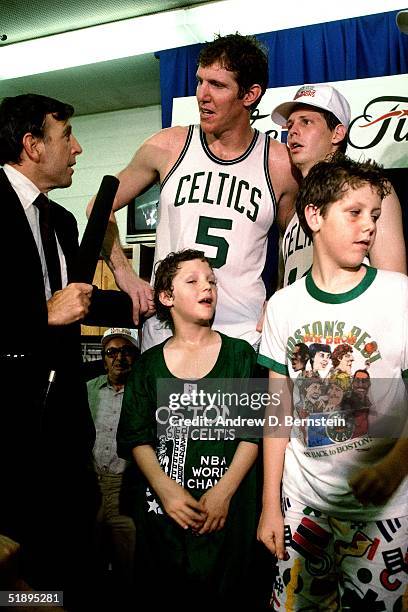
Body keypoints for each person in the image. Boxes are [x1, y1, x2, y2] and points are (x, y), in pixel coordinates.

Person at [0, 94, 133, 610]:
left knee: (67, 561)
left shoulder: (60, 220)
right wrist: (40, 315)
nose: (78, 148)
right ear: (32, 145)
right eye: (66, 136)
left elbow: (73, 302)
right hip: (9, 432)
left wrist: (153, 295)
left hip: (65, 425)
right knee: (18, 581)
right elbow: (49, 310)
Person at [257, 156, 408, 609]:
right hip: (303, 507)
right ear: (315, 216)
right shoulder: (284, 306)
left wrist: (393, 466)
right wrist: (269, 506)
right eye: (355, 213)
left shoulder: (398, 295)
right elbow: (277, 413)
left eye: (375, 216)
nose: (369, 228)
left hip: (385, 518)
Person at [88, 33, 299, 350]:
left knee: (243, 402)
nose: (202, 94)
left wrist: (282, 295)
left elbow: (293, 242)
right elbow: (97, 207)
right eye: (200, 81)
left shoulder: (280, 164)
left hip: (242, 336)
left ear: (250, 94)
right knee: (164, 401)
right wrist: (123, 273)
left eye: (217, 85)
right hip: (167, 333)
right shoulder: (167, 146)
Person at [117, 249, 259, 607]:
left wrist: (224, 492)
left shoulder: (241, 356)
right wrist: (165, 490)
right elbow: (137, 437)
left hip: (228, 523)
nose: (207, 286)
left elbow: (254, 432)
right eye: (192, 280)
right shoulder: (148, 366)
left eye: (211, 280)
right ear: (167, 297)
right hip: (166, 528)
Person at [270, 83, 406, 286]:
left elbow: (395, 286)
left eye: (306, 122)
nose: (293, 132)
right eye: (290, 125)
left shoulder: (372, 191)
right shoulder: (291, 211)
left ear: (337, 133)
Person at [87, 327, 139, 610]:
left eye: (127, 351)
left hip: (125, 490)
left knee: (128, 566)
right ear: (104, 358)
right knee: (90, 562)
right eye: (112, 352)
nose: (120, 358)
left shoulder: (142, 391)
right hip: (92, 485)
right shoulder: (87, 389)